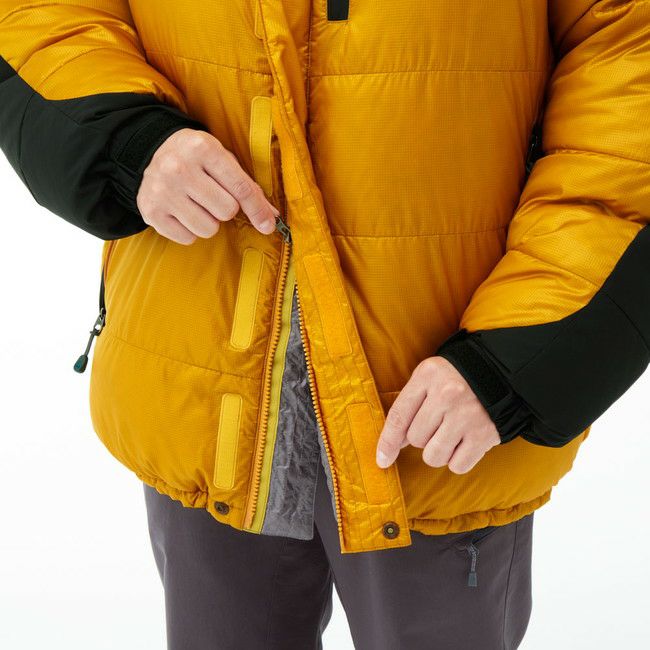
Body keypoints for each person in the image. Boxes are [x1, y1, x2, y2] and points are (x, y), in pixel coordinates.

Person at [0, 2, 648, 648]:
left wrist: (520, 353)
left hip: (442, 411)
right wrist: (120, 136)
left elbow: (630, 56)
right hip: (201, 383)